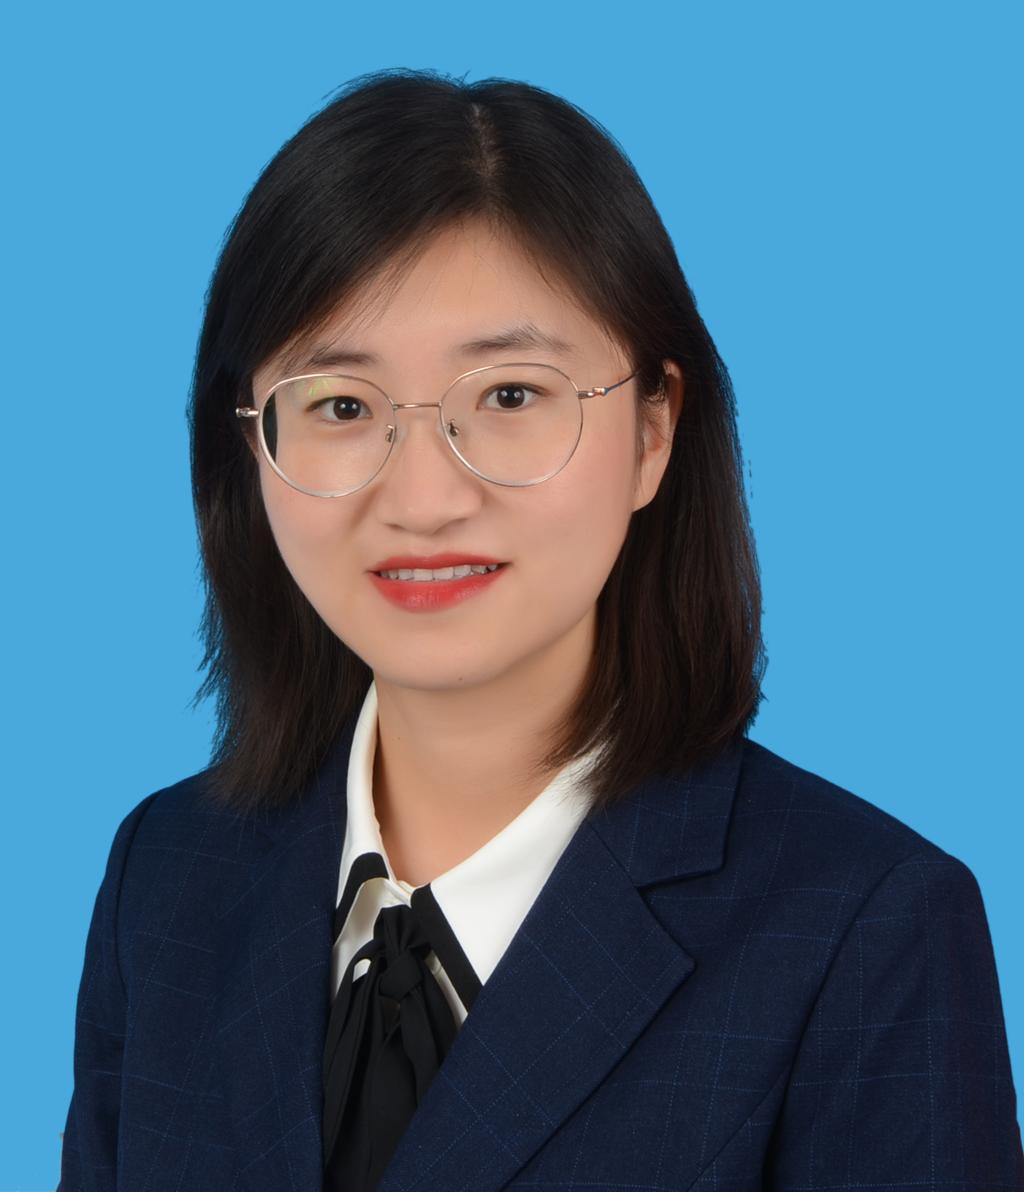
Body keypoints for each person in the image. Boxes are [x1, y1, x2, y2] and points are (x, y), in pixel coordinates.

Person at [59, 68, 1024, 1191]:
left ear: (654, 431)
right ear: (249, 447)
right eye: (342, 406)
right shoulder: (167, 880)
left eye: (510, 396)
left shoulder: (864, 931)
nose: (423, 499)